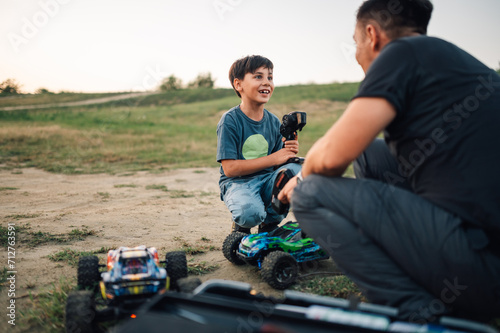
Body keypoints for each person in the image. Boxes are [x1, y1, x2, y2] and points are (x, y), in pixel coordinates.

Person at [278, 0, 500, 324]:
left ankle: (419, 312)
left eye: (356, 44)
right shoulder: (451, 60)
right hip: (481, 250)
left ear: (372, 35)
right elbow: (354, 144)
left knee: (309, 192)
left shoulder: (399, 53)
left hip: (479, 268)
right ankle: (412, 267)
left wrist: (299, 179)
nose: (357, 54)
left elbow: (332, 158)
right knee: (370, 153)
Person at [217, 55, 302, 234]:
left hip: (266, 180)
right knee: (251, 214)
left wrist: (287, 154)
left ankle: (270, 223)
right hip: (237, 183)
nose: (266, 82)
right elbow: (230, 169)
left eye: (270, 77)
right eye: (258, 77)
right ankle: (242, 226)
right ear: (238, 84)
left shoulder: (272, 121)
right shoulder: (230, 120)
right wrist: (274, 158)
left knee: (296, 170)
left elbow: (278, 164)